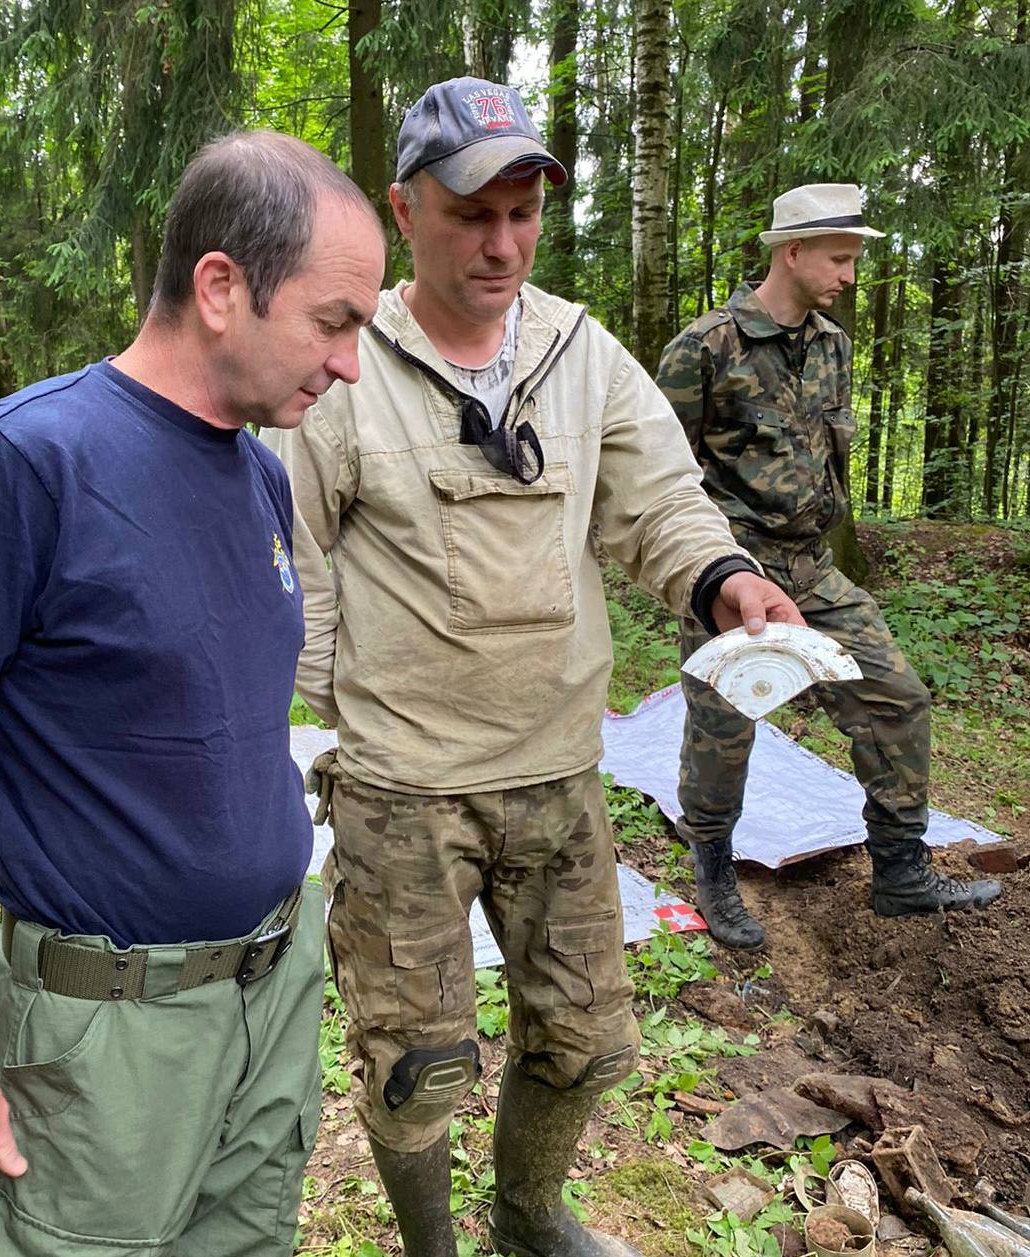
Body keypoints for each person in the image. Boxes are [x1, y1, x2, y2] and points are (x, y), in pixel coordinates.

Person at [261, 78, 803, 1257]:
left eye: (524, 211)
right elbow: (289, 554)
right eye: (472, 215)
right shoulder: (347, 370)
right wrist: (327, 707)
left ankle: (528, 1215)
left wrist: (723, 582)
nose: (503, 243)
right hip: (401, 788)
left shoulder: (581, 352)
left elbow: (661, 503)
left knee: (588, 1037)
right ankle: (431, 1248)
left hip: (557, 773)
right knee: (417, 1061)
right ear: (405, 212)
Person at [0, 130, 384, 1255]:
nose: (348, 364)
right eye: (334, 323)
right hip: (105, 1041)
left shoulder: (254, 468)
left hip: (270, 995)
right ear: (222, 286)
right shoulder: (20, 466)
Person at [656, 183, 1002, 951]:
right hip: (732, 574)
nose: (850, 275)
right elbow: (659, 478)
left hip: (814, 571)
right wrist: (707, 573)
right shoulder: (704, 349)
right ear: (794, 252)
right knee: (725, 726)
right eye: (840, 258)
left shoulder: (832, 344)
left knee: (898, 697)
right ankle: (712, 868)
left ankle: (901, 871)